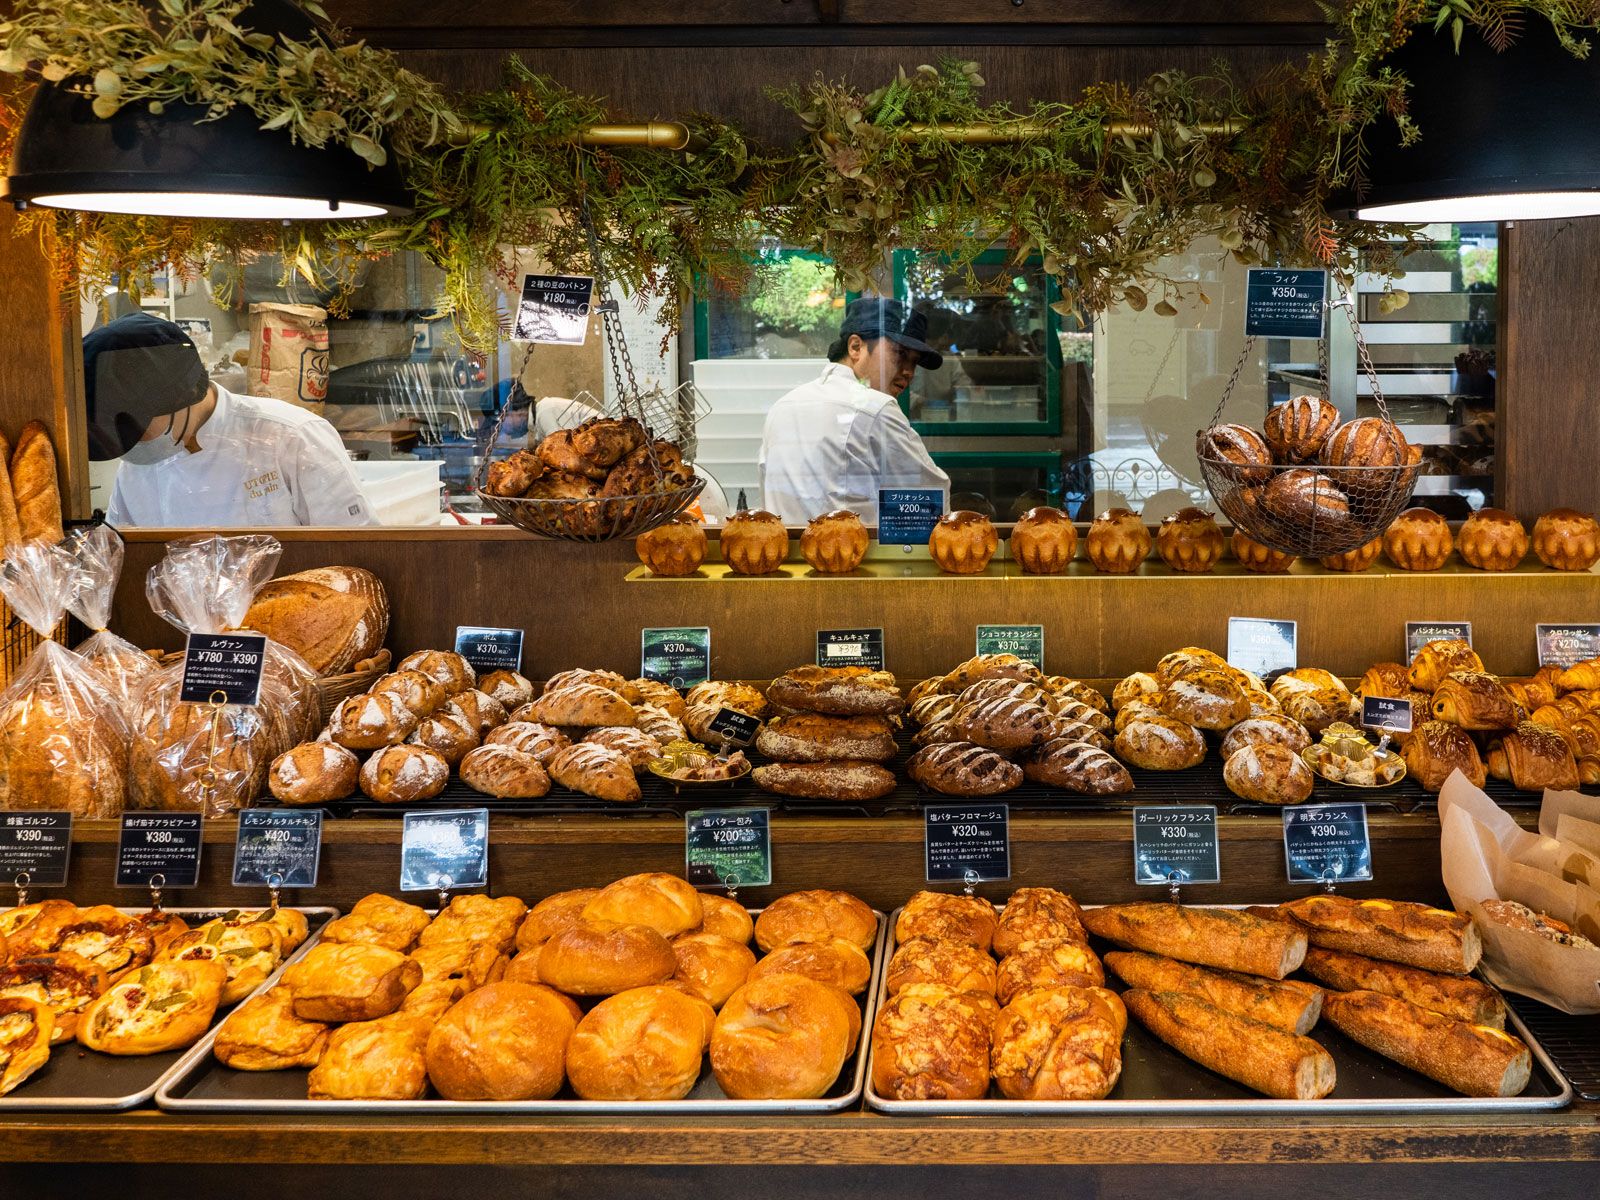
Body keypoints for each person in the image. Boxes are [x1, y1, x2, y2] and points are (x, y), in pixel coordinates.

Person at [83, 313, 375, 527]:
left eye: (135, 427)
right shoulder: (135, 471)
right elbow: (124, 561)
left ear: (180, 395)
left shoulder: (291, 437)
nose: (131, 446)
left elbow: (355, 549)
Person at [758, 297, 949, 524]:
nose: (909, 372)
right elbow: (932, 505)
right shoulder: (876, 409)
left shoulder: (782, 406)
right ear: (856, 347)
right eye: (899, 354)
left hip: (785, 558)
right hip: (852, 557)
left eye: (914, 362)